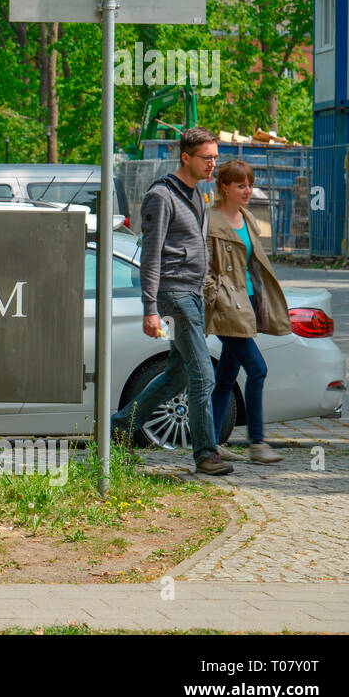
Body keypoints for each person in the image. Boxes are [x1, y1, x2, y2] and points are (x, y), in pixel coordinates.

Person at [112, 127, 233, 474]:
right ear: (186, 158)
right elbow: (150, 256)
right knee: (202, 373)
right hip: (173, 295)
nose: (213, 164)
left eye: (215, 157)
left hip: (192, 294)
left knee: (177, 375)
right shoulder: (161, 197)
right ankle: (206, 454)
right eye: (206, 158)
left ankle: (118, 429)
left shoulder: (196, 195)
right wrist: (150, 309)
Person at [204, 159, 289, 463]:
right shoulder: (211, 221)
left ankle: (212, 443)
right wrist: (214, 294)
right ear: (224, 187)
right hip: (228, 306)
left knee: (226, 376)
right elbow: (205, 266)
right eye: (241, 185)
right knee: (258, 369)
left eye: (250, 184)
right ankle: (257, 443)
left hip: (249, 302)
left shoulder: (247, 217)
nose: (248, 190)